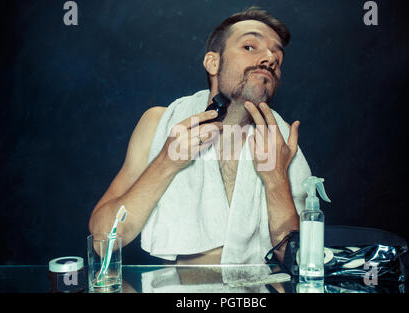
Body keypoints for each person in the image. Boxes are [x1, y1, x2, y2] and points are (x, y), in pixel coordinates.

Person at [89, 7, 311, 265]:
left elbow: (299, 261)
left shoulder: (281, 139)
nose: (270, 58)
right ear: (212, 63)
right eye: (250, 47)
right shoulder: (160, 123)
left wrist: (276, 179)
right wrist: (166, 163)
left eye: (277, 57)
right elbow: (103, 240)